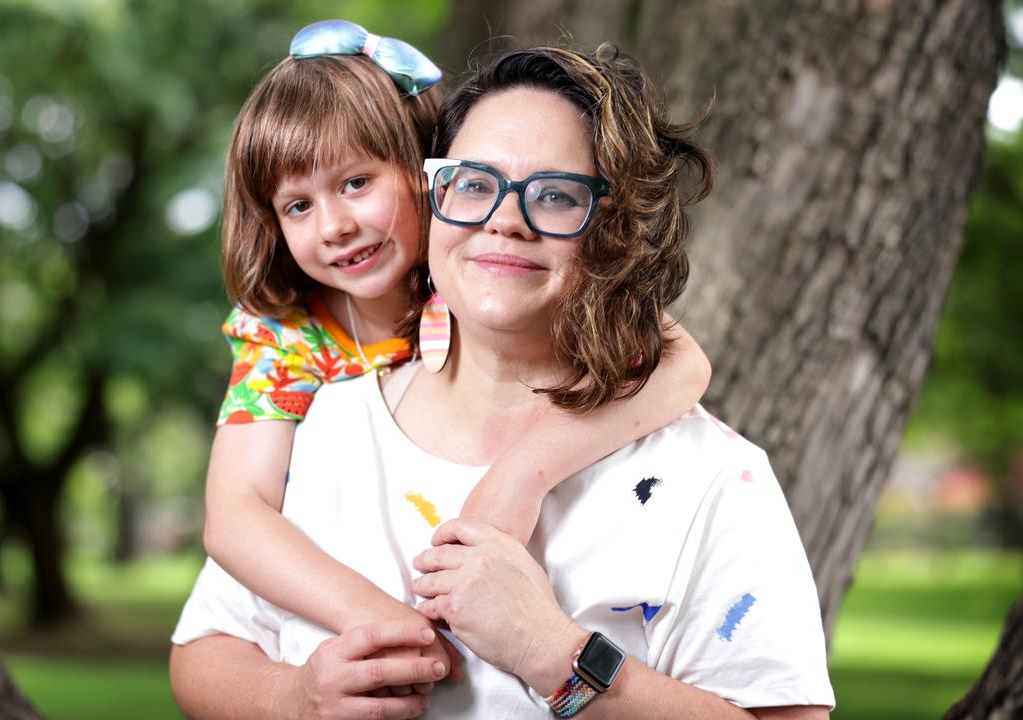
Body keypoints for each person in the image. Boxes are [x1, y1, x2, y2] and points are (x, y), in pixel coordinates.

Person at [171, 44, 835, 719]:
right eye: (476, 182)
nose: (504, 218)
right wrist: (291, 697)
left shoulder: (710, 477)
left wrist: (557, 655)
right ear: (438, 196)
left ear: (616, 227)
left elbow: (679, 358)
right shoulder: (320, 422)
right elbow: (205, 650)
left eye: (554, 194)